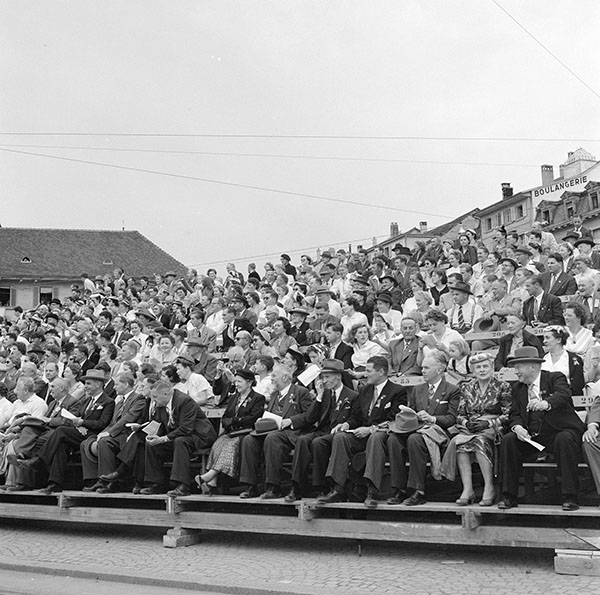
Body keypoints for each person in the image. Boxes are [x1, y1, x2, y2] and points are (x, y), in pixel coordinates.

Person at [498, 347, 585, 511]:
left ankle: (570, 497)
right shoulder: (517, 388)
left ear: (532, 366)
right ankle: (508, 496)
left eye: (518, 367)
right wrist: (517, 427)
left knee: (565, 438)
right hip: (532, 437)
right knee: (509, 439)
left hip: (556, 432)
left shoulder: (554, 377)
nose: (515, 372)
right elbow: (514, 414)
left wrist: (546, 403)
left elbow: (564, 394)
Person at [319, 356, 405, 504]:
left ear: (381, 372)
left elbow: (395, 420)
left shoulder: (397, 391)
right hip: (362, 434)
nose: (365, 374)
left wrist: (371, 429)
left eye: (368, 370)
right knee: (340, 437)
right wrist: (346, 425)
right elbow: (357, 417)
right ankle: (338, 488)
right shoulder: (364, 390)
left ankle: (372, 491)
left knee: (375, 438)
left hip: (384, 434)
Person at [16, 369, 115, 493]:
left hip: (92, 435)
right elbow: (76, 417)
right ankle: (54, 484)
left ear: (98, 384)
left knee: (61, 431)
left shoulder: (108, 402)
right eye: (85, 383)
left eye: (88, 383)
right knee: (60, 446)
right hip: (79, 432)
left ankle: (39, 460)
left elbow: (102, 423)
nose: (85, 386)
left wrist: (83, 423)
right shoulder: (85, 401)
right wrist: (78, 424)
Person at [382, 351, 460, 506]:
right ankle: (400, 488)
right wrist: (410, 415)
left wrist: (432, 418)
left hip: (437, 433)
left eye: (426, 368)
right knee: (393, 439)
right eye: (422, 367)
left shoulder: (452, 390)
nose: (422, 370)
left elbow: (453, 418)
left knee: (414, 439)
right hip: (416, 429)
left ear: (438, 370)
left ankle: (419, 490)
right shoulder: (417, 389)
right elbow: (409, 413)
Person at [440, 352, 511, 506]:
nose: (482, 370)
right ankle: (468, 489)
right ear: (473, 370)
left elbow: (508, 414)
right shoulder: (466, 387)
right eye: (478, 367)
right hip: (470, 428)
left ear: (492, 368)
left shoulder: (502, 386)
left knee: (479, 441)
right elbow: (459, 414)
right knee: (461, 445)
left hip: (492, 427)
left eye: (485, 366)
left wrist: (489, 424)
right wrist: (466, 423)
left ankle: (489, 487)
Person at [284, 359, 359, 501]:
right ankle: (296, 486)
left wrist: (346, 424)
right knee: (302, 440)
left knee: (318, 443)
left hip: (337, 432)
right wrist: (318, 397)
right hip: (323, 430)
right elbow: (310, 417)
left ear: (338, 376)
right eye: (323, 377)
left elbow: (356, 418)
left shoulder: (352, 395)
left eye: (328, 377)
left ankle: (321, 487)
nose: (325, 380)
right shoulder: (324, 394)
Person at [238, 365, 312, 499]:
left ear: (284, 377)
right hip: (272, 430)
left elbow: (310, 415)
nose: (271, 379)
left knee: (272, 438)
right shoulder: (274, 395)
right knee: (249, 440)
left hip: (290, 433)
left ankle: (273, 487)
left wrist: (291, 420)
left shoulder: (301, 392)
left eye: (274, 376)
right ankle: (250, 486)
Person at [140, 379, 217, 496]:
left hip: (199, 435)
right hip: (179, 435)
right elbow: (159, 423)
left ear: (165, 394)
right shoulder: (160, 404)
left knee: (180, 441)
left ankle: (183, 486)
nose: (153, 400)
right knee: (152, 445)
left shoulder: (184, 401)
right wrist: (153, 436)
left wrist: (164, 438)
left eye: (155, 396)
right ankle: (157, 484)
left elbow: (186, 428)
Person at [195, 369, 265, 495]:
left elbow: (252, 418)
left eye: (239, 381)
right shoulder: (233, 398)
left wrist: (233, 420)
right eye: (235, 381)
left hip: (246, 433)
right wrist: (233, 421)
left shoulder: (258, 398)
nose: (236, 384)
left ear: (249, 382)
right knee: (218, 443)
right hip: (231, 432)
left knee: (230, 446)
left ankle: (208, 477)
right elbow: (226, 417)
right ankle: (213, 483)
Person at [79, 372, 147, 493]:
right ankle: (95, 480)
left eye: (116, 384)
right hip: (116, 435)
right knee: (86, 443)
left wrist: (109, 433)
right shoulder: (119, 402)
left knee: (105, 442)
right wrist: (103, 433)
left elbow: (128, 419)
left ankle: (107, 483)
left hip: (127, 436)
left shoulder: (138, 399)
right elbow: (112, 423)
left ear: (126, 384)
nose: (114, 387)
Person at [541, 326, 585, 396]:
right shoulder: (541, 358)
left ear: (558, 340)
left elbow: (578, 385)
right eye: (544, 338)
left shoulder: (575, 359)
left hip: (568, 399)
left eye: (547, 338)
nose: (544, 341)